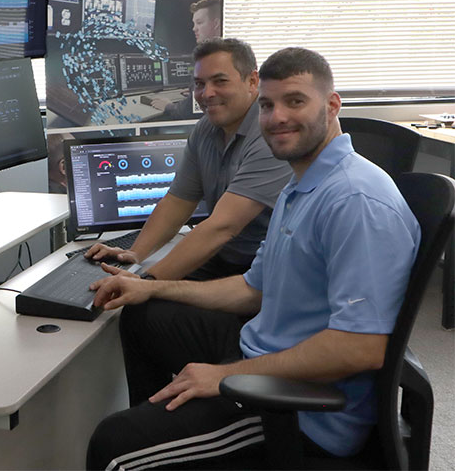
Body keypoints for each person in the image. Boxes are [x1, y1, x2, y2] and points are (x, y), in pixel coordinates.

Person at [86, 47, 421, 470]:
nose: (277, 117)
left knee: (114, 446)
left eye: (295, 101)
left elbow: (362, 348)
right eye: (267, 105)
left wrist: (223, 376)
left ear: (332, 105)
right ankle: (167, 432)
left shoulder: (356, 201)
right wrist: (148, 286)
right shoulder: (302, 186)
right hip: (263, 355)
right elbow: (251, 289)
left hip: (302, 412)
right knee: (148, 314)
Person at [86, 38, 292, 282]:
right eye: (199, 84)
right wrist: (134, 254)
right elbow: (177, 202)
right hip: (223, 259)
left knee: (147, 310)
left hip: (261, 273)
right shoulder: (206, 128)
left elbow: (223, 227)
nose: (207, 93)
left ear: (252, 81)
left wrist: (146, 283)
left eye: (220, 81)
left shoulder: (271, 134)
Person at [150, 0, 222, 119]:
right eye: (194, 23)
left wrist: (168, 106)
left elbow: (190, 111)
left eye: (199, 22)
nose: (194, 28)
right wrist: (195, 93)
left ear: (216, 24)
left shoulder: (210, 58)